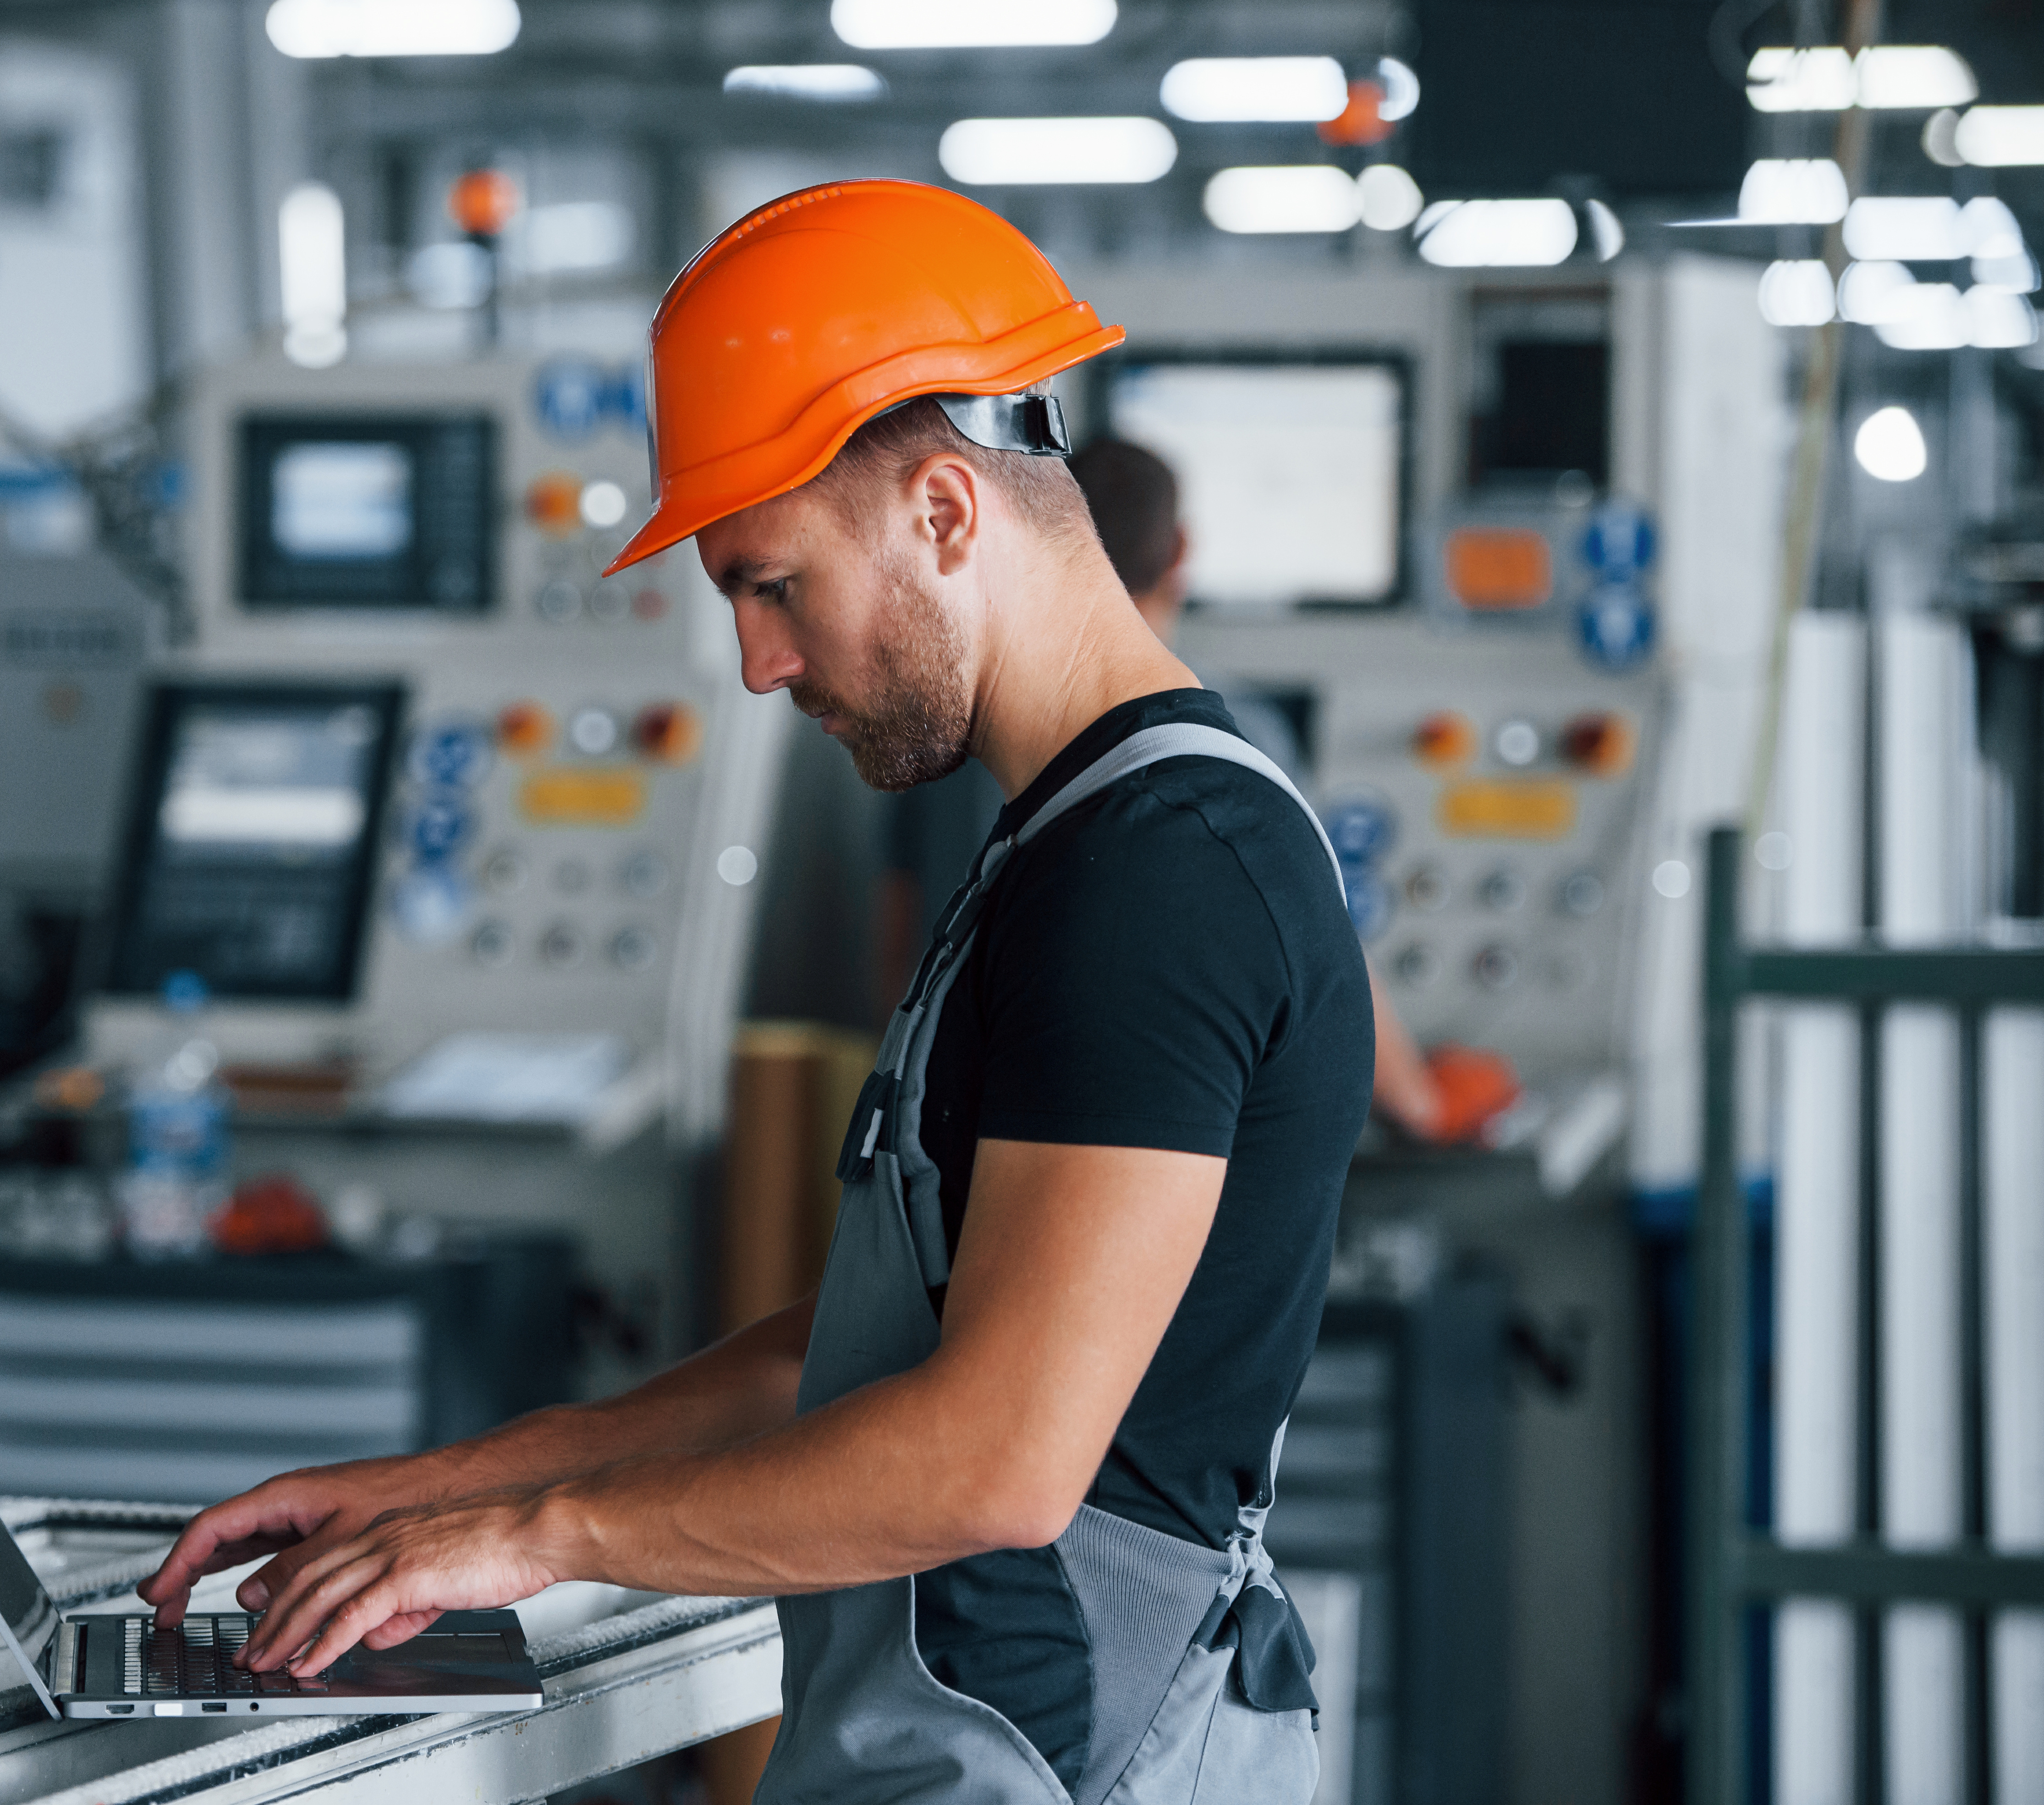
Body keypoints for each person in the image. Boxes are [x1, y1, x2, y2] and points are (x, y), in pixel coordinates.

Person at [138, 180, 1368, 1803]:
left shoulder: (1160, 872)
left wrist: (540, 1537)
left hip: (1066, 1763)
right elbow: (861, 1356)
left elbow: (995, 1457)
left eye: (772, 582)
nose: (758, 663)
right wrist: (440, 1491)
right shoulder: (1064, 843)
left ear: (944, 513)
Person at [1063, 435, 1449, 1140]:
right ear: (1181, 549)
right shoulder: (1233, 738)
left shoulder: (973, 728)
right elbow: (1327, 957)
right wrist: (1425, 1106)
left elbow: (905, 936)